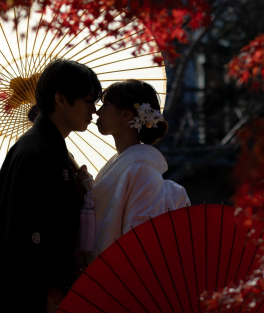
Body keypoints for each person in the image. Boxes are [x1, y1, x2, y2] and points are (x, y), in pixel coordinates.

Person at [0, 59, 100, 313]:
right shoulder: (35, 151)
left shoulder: (48, 147)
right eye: (89, 100)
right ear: (62, 100)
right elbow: (27, 230)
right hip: (29, 297)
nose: (94, 110)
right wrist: (48, 288)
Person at [79, 79, 190, 262]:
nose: (97, 111)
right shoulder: (125, 163)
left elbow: (139, 240)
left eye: (105, 105)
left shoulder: (143, 170)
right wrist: (88, 185)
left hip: (120, 272)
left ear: (125, 115)